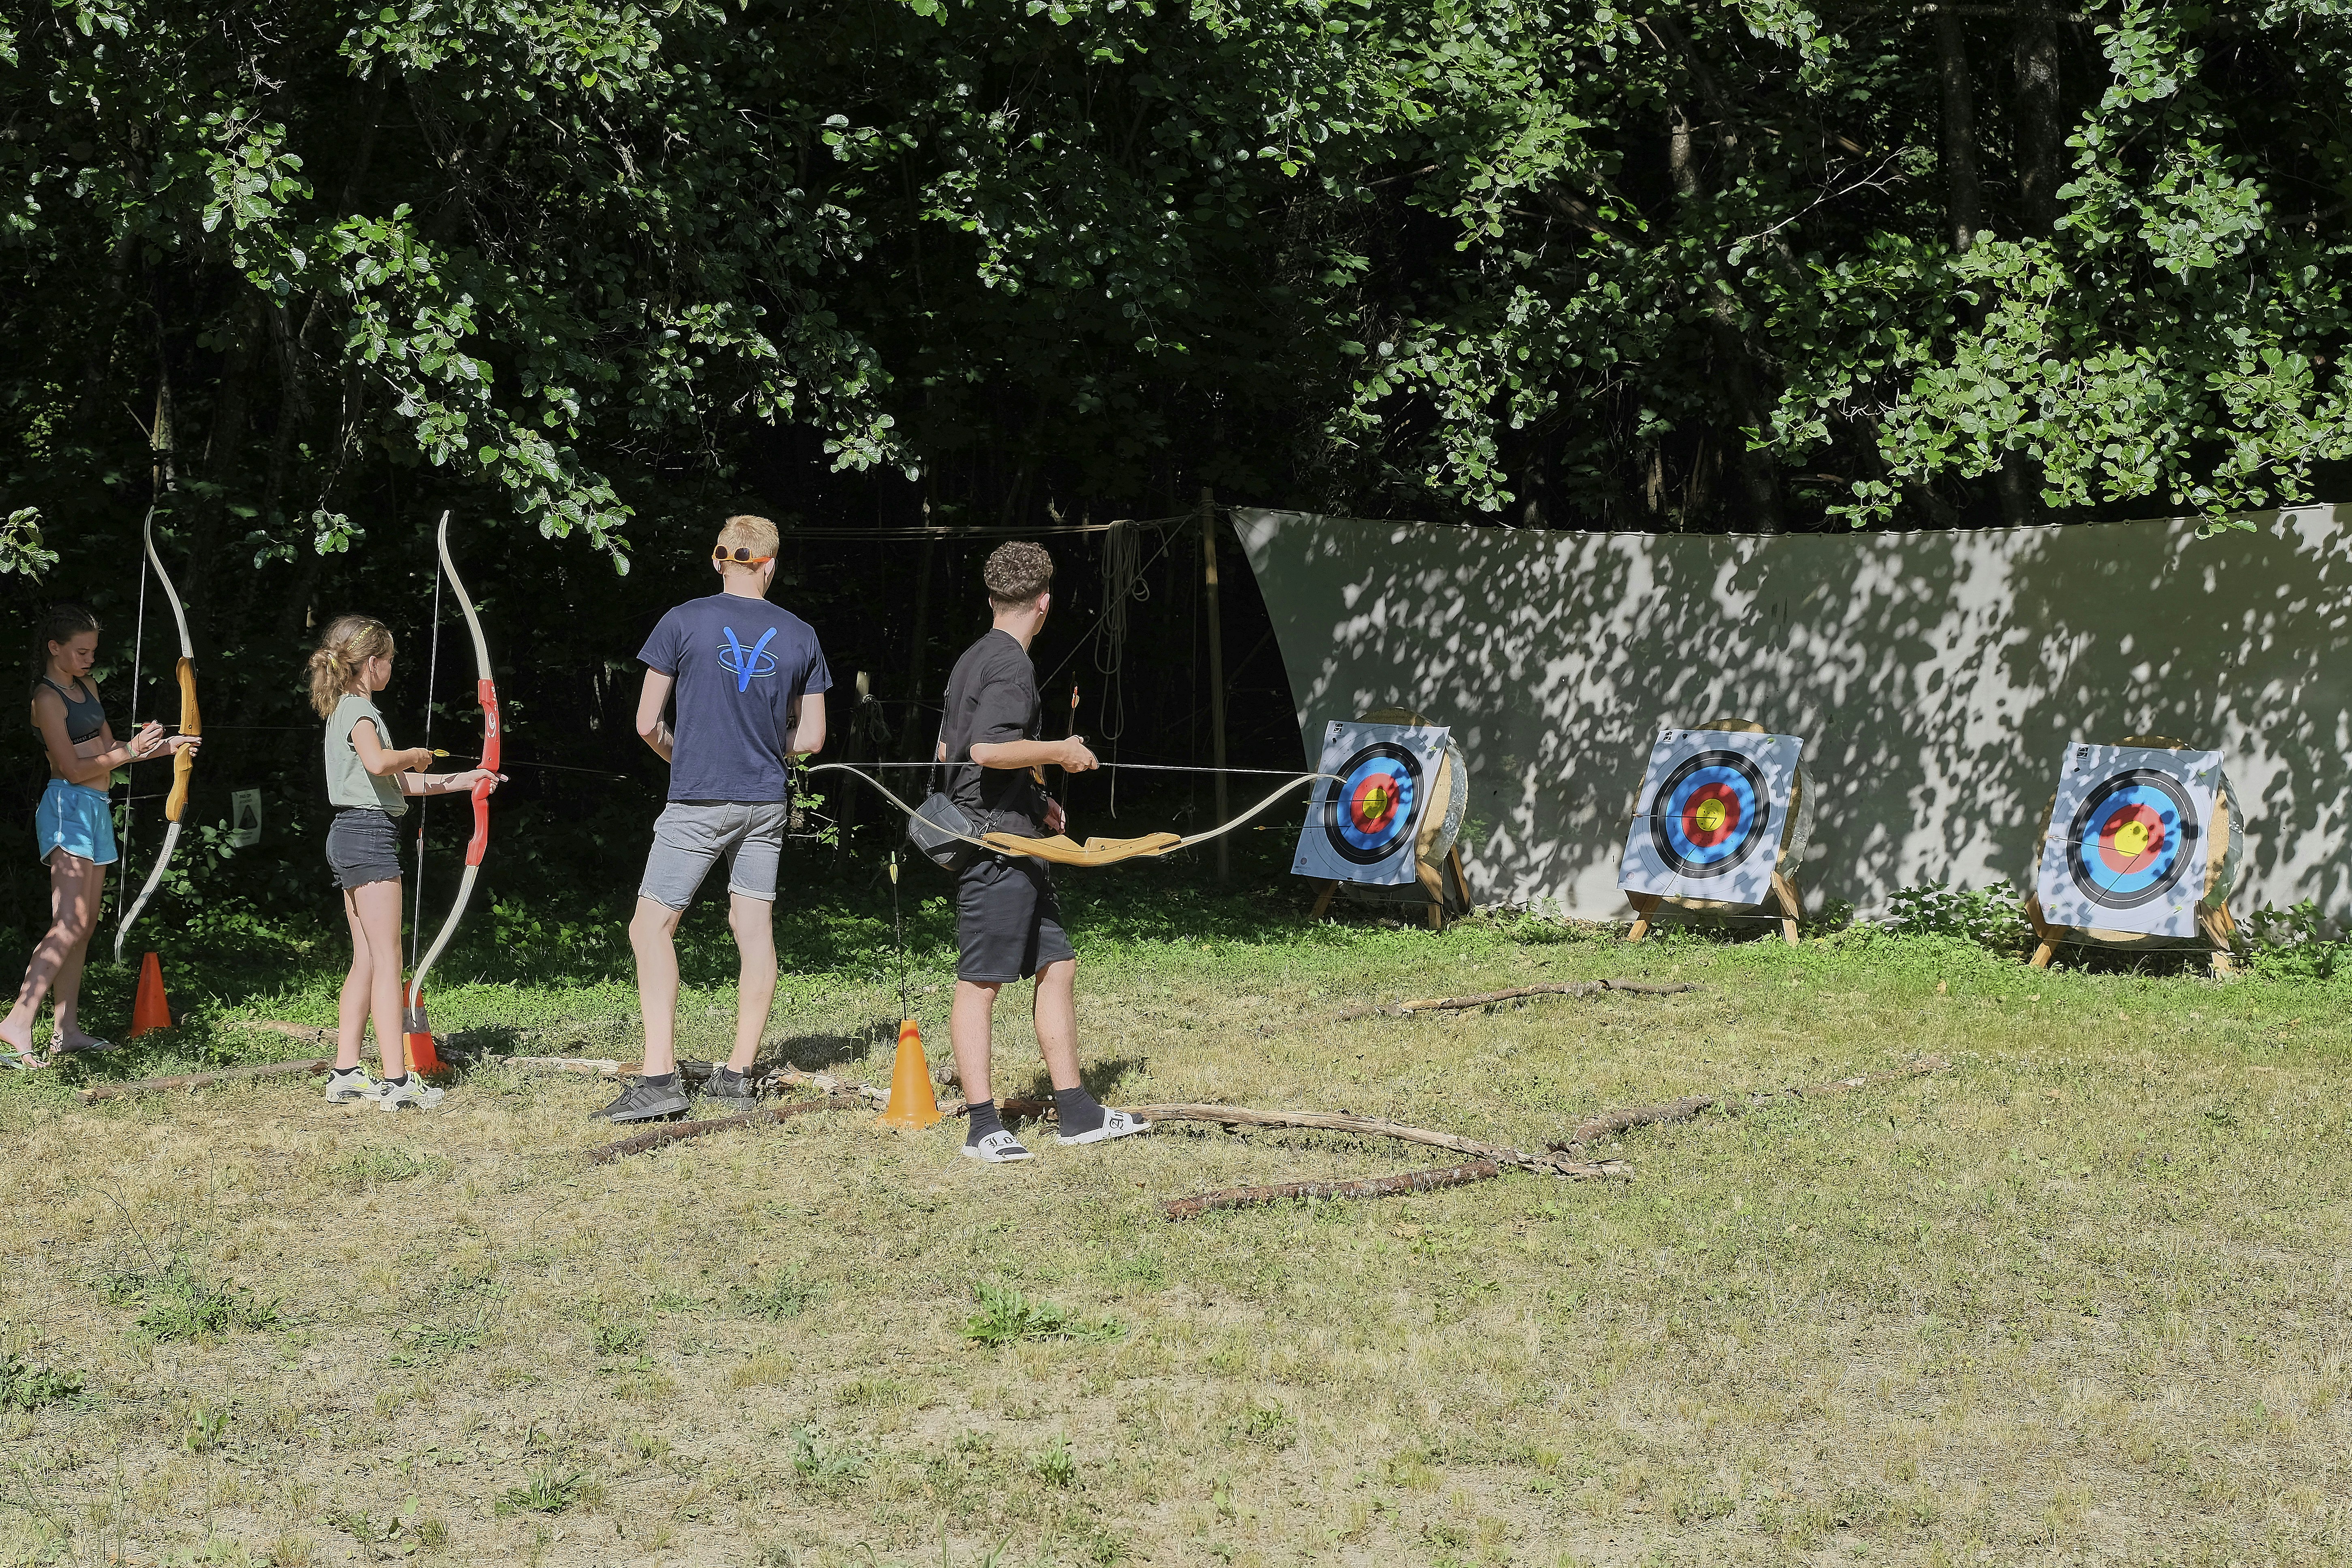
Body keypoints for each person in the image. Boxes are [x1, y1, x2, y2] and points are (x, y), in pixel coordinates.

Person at [599, 514, 830, 1124]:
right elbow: (811, 737)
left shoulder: (681, 621)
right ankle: (736, 1075)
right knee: (753, 932)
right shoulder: (801, 634)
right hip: (764, 802)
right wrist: (761, 748)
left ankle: (657, 1080)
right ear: (770, 566)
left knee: (649, 929)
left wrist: (686, 754)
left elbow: (648, 723)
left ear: (718, 559)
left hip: (698, 801)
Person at [938, 541, 1150, 1163]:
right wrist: (1060, 751)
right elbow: (983, 751)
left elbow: (953, 750)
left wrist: (1037, 802)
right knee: (979, 984)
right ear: (1045, 604)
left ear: (992, 597)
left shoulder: (972, 658)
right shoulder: (1009, 665)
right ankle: (982, 1127)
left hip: (1018, 835)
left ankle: (1078, 1113)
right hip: (994, 850)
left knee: (1056, 965)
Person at [307, 614, 501, 1110]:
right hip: (368, 838)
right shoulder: (361, 713)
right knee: (389, 962)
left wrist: (469, 779)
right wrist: (413, 752)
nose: (392, 668)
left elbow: (393, 785)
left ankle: (346, 1072)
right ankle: (398, 1082)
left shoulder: (343, 712)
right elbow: (380, 764)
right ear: (371, 664)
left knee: (369, 961)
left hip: (351, 834)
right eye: (389, 660)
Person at [0, 604, 198, 1068]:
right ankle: (16, 1021)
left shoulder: (86, 687)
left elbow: (110, 751)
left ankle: (65, 1029)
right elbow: (70, 768)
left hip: (96, 809)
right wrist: (129, 751)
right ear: (55, 648)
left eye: (93, 651)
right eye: (81, 651)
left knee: (84, 924)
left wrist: (165, 746)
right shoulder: (46, 700)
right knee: (68, 921)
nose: (90, 659)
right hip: (67, 808)